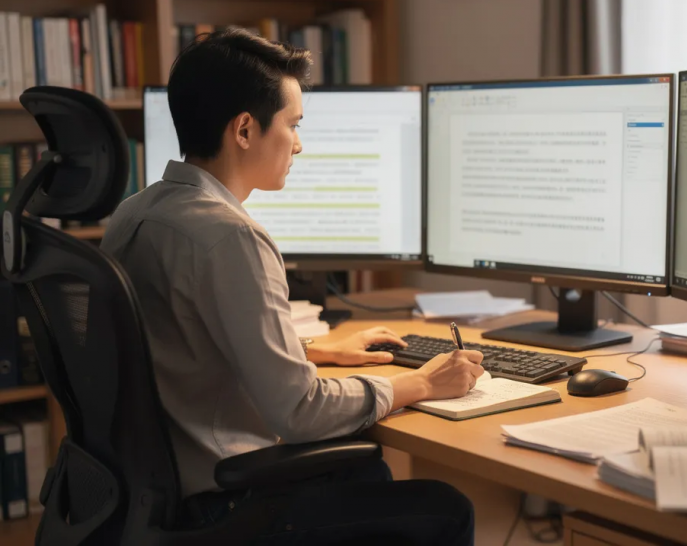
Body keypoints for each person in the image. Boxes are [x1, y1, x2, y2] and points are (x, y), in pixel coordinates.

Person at [101, 28, 482, 545]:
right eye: (292, 124)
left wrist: (313, 349)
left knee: (363, 474)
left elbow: (183, 343)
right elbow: (301, 412)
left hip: (149, 492)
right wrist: (423, 384)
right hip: (220, 500)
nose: (299, 143)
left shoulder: (134, 212)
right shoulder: (232, 236)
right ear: (243, 130)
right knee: (446, 507)